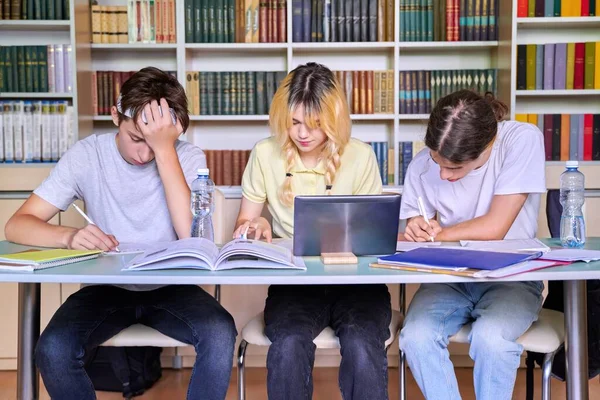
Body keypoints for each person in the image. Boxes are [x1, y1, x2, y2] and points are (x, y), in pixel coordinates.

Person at [4, 67, 236, 400]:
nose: (145, 154)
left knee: (220, 332)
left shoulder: (185, 155)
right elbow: (17, 224)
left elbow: (193, 236)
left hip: (171, 288)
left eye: (155, 143)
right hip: (105, 288)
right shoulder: (87, 155)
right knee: (53, 349)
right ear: (115, 116)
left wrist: (165, 149)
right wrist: (68, 237)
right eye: (138, 139)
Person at [232, 62, 392, 400]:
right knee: (288, 344)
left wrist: (352, 249)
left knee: (363, 343)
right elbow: (244, 226)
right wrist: (256, 224)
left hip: (356, 284)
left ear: (333, 121)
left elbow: (374, 239)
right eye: (294, 123)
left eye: (316, 125)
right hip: (296, 285)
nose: (303, 134)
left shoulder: (361, 156)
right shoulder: (265, 153)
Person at [399, 89, 546, 400]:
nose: (443, 174)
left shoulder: (520, 140)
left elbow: (495, 227)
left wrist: (437, 234)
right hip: (451, 278)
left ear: (487, 145)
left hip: (512, 278)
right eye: (438, 162)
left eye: (455, 168)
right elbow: (414, 228)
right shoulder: (423, 164)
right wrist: (415, 229)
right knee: (415, 337)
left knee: (491, 338)